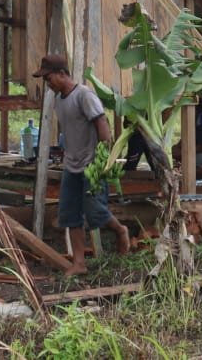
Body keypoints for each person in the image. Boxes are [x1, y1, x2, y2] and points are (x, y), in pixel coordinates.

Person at [34, 53, 131, 274]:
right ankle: (79, 263)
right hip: (72, 164)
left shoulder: (84, 95)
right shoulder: (59, 100)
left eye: (48, 78)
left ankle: (121, 230)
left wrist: (104, 155)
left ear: (62, 74)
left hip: (91, 163)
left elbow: (101, 122)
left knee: (96, 211)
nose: (47, 83)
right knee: (69, 214)